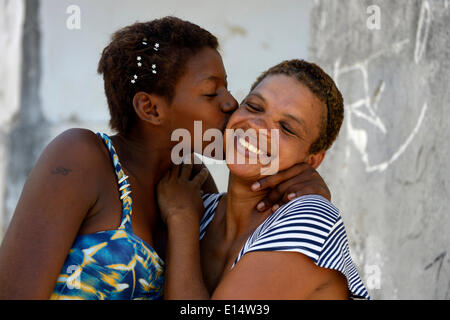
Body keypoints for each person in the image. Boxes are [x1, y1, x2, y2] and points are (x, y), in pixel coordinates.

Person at [0, 17, 331, 299]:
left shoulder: (193, 180)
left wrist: (304, 184)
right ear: (151, 108)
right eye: (211, 92)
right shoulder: (81, 157)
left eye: (227, 88)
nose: (232, 103)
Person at [157, 59, 371, 300]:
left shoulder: (311, 218)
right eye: (255, 107)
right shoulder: (198, 206)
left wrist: (182, 220)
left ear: (312, 160)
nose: (258, 126)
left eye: (287, 128)